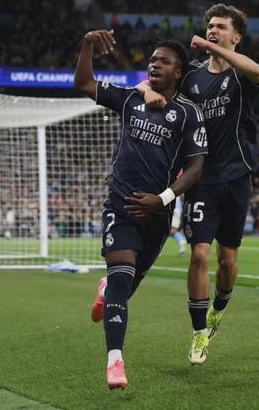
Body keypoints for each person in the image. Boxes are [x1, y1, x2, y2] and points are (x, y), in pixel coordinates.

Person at [73, 29, 207, 389]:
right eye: (152, 60)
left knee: (125, 287)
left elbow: (196, 168)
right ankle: (115, 361)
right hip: (120, 204)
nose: (155, 65)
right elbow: (84, 83)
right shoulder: (132, 98)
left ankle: (106, 290)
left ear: (178, 72)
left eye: (164, 61)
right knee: (121, 278)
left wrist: (162, 199)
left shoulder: (188, 113)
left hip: (157, 214)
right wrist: (87, 45)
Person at [139, 4, 259, 365]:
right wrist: (146, 90)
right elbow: (150, 82)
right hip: (200, 178)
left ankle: (218, 312)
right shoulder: (192, 75)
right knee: (199, 255)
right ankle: (199, 333)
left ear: (236, 37)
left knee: (228, 262)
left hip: (237, 176)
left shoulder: (241, 75)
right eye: (210, 25)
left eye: (220, 26)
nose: (212, 30)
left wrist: (212, 49)